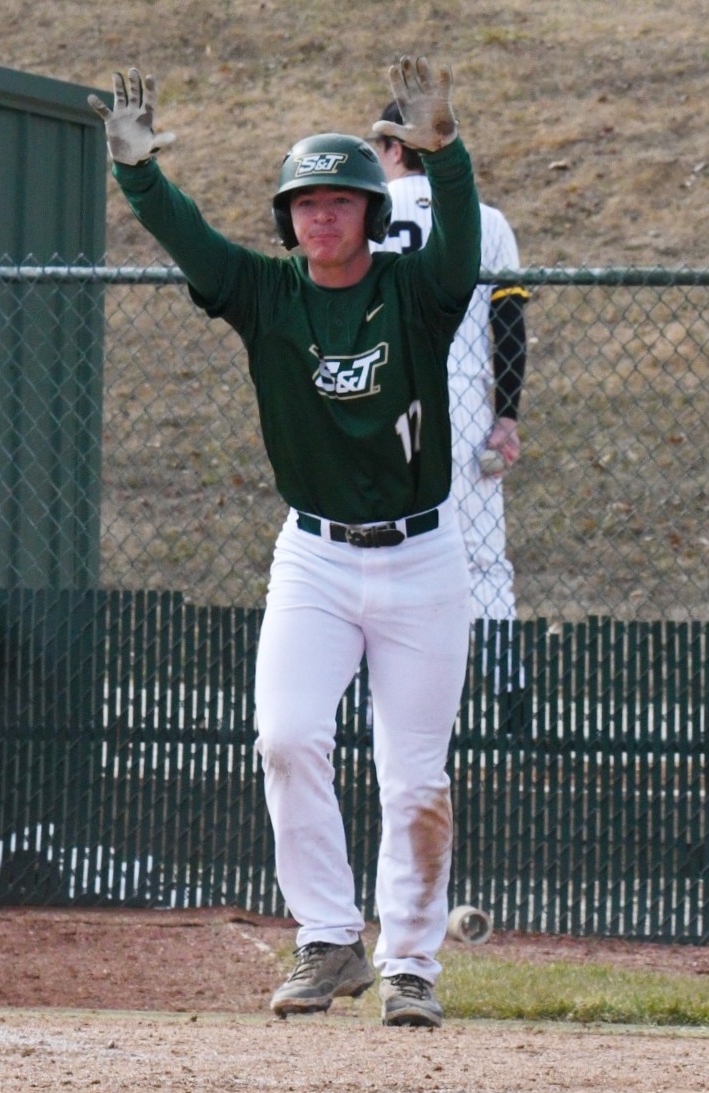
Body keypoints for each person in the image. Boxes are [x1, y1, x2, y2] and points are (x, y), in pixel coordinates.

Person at [90, 57, 478, 1028]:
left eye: (338, 202)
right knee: (284, 738)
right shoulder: (265, 296)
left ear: (369, 210)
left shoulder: (414, 294)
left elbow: (462, 253)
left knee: (413, 779)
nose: (319, 218)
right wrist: (136, 173)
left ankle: (411, 966)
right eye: (302, 204)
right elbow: (191, 243)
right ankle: (325, 941)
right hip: (314, 556)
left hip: (422, 557)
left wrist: (446, 153)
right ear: (286, 217)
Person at [370, 102, 533, 738]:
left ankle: (371, 711)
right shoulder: (485, 221)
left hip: (380, 396)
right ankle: (513, 703)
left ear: (391, 147)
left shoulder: (366, 213)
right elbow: (508, 323)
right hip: (463, 399)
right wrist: (507, 417)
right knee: (482, 561)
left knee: (372, 553)